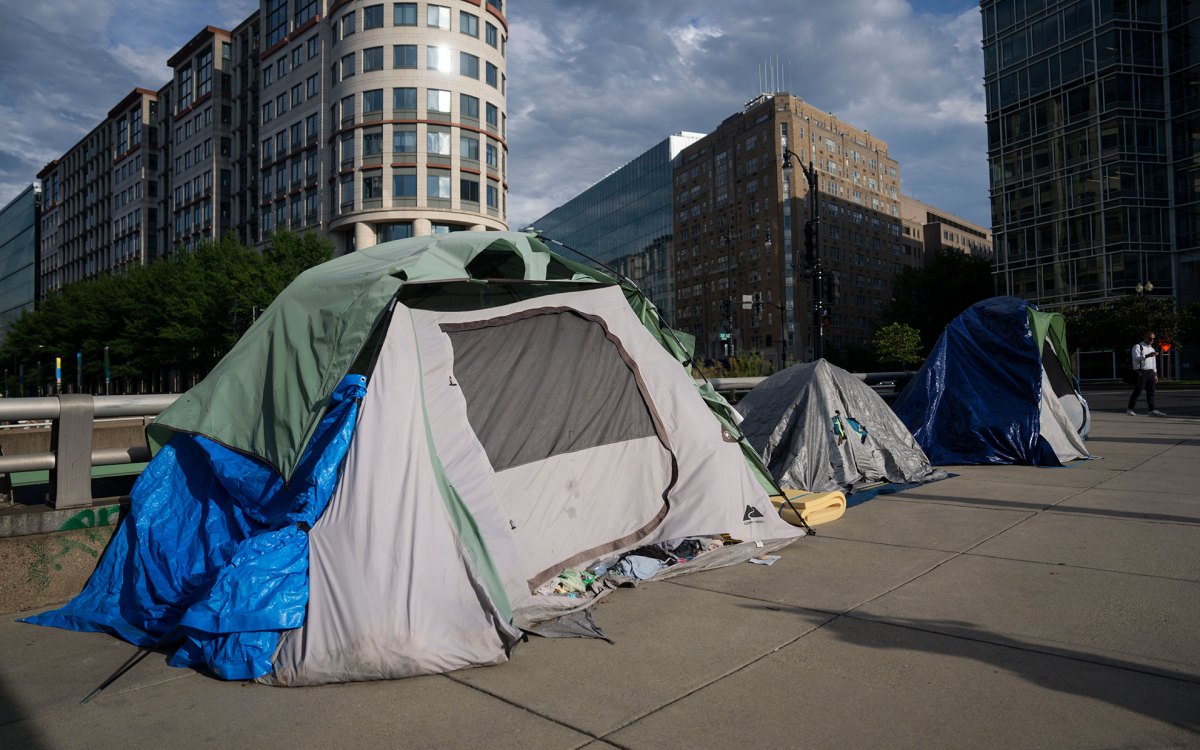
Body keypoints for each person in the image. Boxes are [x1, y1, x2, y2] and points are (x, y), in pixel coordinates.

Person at [1127, 331, 1166, 417]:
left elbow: (1153, 362)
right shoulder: (1138, 346)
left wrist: (1155, 373)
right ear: (1144, 337)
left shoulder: (1152, 349)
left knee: (1151, 392)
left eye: (1153, 338)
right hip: (1141, 372)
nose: (1152, 340)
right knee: (1138, 391)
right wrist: (1147, 355)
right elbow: (1136, 358)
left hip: (1150, 372)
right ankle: (1130, 409)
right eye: (1150, 338)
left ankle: (1152, 410)